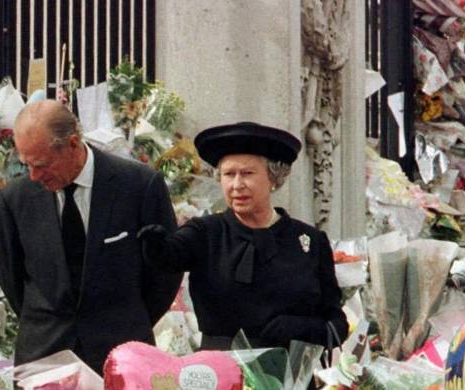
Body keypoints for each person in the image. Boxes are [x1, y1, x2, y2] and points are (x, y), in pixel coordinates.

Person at [0, 99, 181, 373]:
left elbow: (165, 270)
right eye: (26, 164)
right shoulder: (15, 199)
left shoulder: (138, 186)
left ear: (73, 143)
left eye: (42, 165)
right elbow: (10, 277)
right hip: (44, 356)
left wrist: (127, 319)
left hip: (122, 354)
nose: (33, 176)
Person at [138, 121, 347, 351]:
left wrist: (302, 329)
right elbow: (170, 256)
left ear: (273, 178)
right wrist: (154, 245)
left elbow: (337, 326)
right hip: (221, 376)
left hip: (292, 377)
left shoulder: (310, 241)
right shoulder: (205, 232)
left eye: (247, 173)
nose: (237, 185)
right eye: (229, 174)